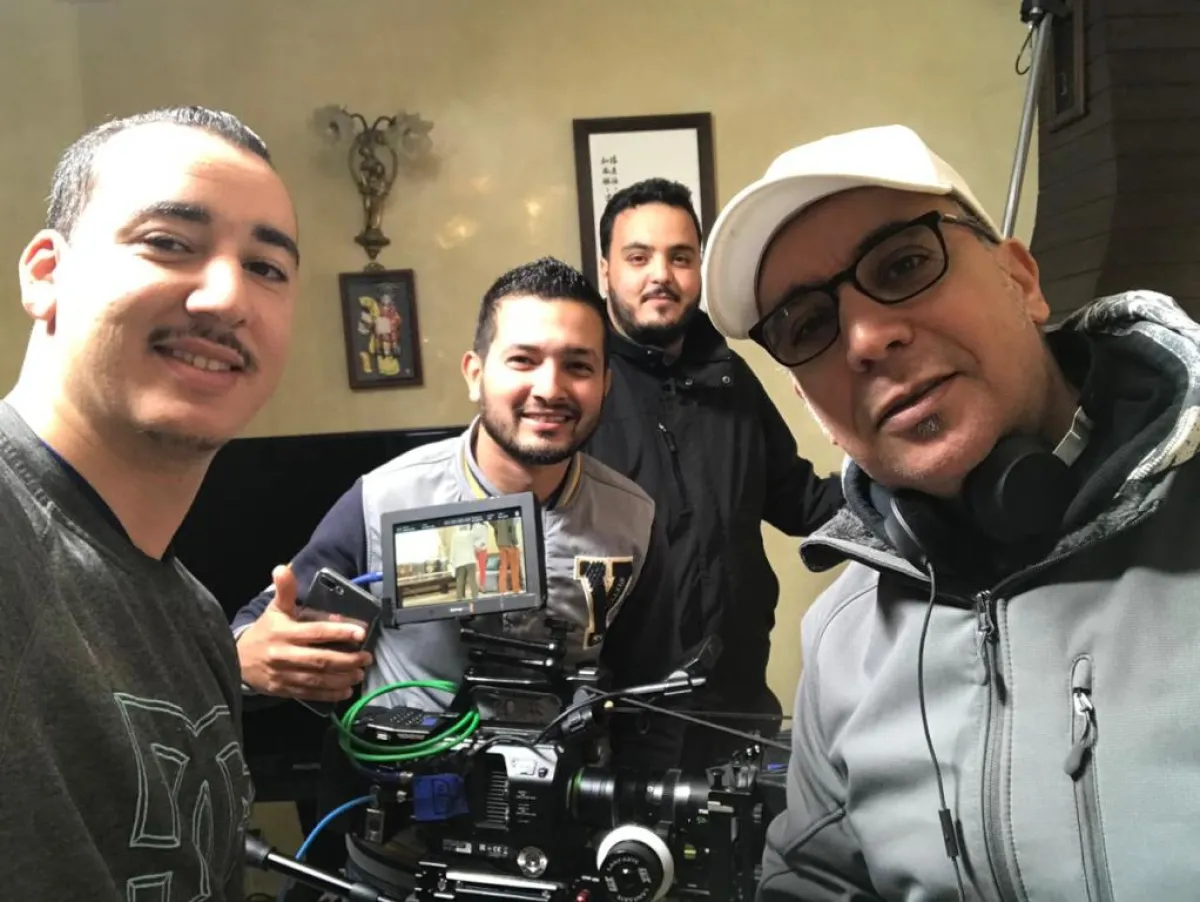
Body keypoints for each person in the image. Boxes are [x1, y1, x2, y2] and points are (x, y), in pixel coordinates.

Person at [701, 122, 1200, 900]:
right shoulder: (841, 640)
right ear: (808, 404)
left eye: (903, 265)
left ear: (1020, 278)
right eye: (808, 325)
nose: (866, 339)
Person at [231, 256, 685, 894]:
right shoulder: (384, 498)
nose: (550, 387)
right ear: (475, 372)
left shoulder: (632, 520)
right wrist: (248, 655)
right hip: (398, 858)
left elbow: (652, 695)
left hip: (556, 856)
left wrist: (637, 824)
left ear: (606, 383)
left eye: (578, 366)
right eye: (523, 360)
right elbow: (258, 629)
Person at [0, 106, 300, 901]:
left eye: (267, 267)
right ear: (46, 273)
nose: (227, 297)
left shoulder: (195, 620)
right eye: (169, 242)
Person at [584, 178, 843, 771]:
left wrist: (897, 486)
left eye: (680, 257)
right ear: (606, 272)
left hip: (736, 701)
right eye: (638, 257)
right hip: (617, 723)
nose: (661, 275)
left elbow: (802, 502)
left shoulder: (731, 379)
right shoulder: (581, 388)